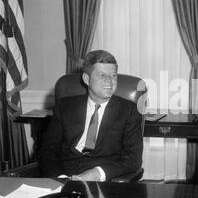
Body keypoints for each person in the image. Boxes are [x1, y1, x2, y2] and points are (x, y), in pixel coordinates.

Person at [38, 50, 143, 181]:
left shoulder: (129, 111)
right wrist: (61, 177)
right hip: (64, 176)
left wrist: (97, 173)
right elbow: (48, 150)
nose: (109, 82)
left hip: (103, 181)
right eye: (102, 75)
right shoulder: (65, 106)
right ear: (86, 79)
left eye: (113, 76)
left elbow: (133, 159)